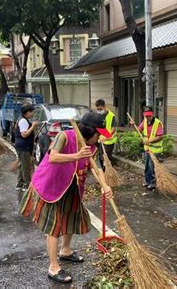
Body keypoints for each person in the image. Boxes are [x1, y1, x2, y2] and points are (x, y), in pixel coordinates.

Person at [19, 112, 114, 284]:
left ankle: (66, 250)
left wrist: (105, 186)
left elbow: (97, 169)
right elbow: (53, 157)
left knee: (70, 217)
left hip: (72, 186)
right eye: (98, 134)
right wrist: (77, 156)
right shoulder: (65, 136)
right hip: (52, 186)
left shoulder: (92, 147)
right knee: (55, 225)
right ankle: (53, 267)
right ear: (89, 131)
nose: (100, 138)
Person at [129, 106, 164, 191]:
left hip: (155, 150)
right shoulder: (144, 121)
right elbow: (138, 131)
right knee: (147, 167)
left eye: (149, 116)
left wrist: (149, 141)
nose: (147, 117)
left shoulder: (157, 123)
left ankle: (153, 183)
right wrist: (133, 125)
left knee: (152, 167)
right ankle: (148, 181)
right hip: (147, 149)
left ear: (152, 114)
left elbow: (160, 136)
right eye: (146, 116)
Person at [14, 104, 38, 191]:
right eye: (32, 112)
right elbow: (24, 134)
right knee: (26, 166)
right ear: (27, 112)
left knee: (22, 165)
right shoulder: (23, 121)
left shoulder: (22, 119)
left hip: (22, 146)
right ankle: (27, 184)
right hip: (23, 146)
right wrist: (33, 126)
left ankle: (19, 183)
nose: (32, 114)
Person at [95, 99, 117, 169]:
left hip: (109, 140)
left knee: (106, 157)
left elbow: (113, 129)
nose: (99, 111)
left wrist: (106, 136)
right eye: (98, 109)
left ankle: (107, 170)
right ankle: (104, 171)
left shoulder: (111, 115)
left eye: (100, 109)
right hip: (101, 140)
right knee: (101, 157)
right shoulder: (98, 115)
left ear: (104, 106)